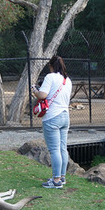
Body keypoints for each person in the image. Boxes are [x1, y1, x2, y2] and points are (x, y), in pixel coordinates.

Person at [31, 55, 72, 189]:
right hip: (65, 116)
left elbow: (43, 95)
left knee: (54, 150)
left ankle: (56, 180)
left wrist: (35, 91)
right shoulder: (67, 80)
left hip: (52, 117)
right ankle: (62, 177)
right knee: (62, 148)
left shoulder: (50, 77)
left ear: (51, 66)